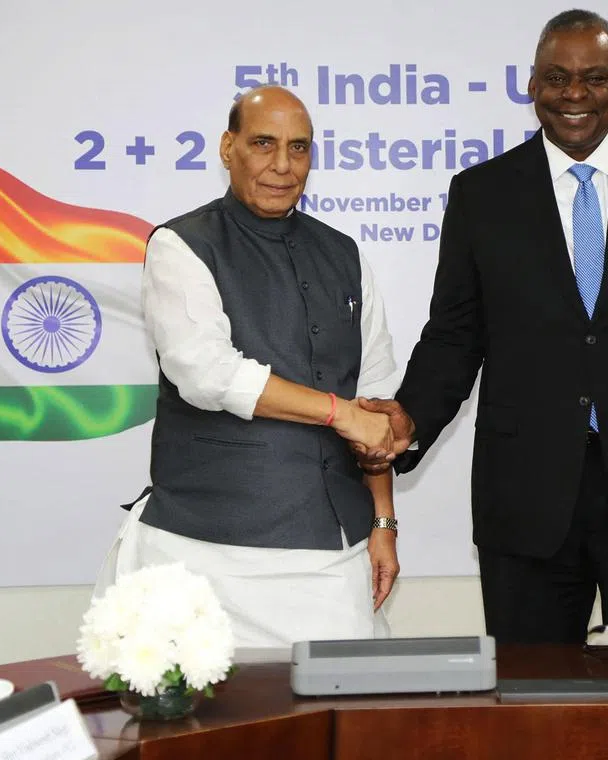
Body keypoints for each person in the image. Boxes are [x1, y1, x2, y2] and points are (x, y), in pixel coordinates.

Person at [360, 9, 608, 644]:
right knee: (528, 713)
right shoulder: (482, 194)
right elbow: (455, 334)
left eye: (594, 77)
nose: (575, 95)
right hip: (526, 503)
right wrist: (408, 419)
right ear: (531, 84)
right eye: (557, 77)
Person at [96, 85, 401, 647]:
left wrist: (382, 522)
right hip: (203, 554)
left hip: (331, 556)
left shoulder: (345, 254)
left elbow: (374, 404)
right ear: (227, 147)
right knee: (198, 730)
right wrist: (338, 414)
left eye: (299, 148)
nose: (282, 166)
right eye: (264, 144)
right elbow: (207, 374)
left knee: (342, 725)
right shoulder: (180, 245)